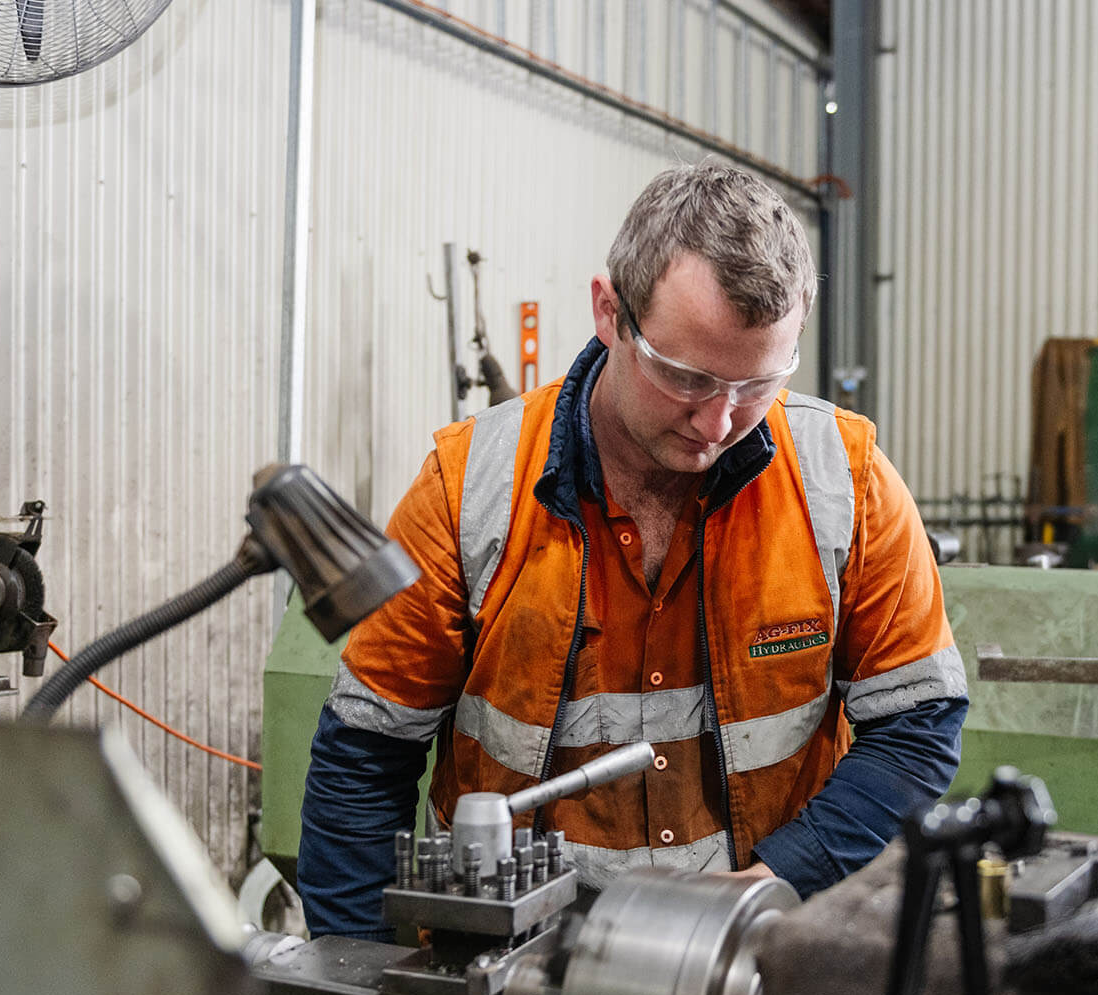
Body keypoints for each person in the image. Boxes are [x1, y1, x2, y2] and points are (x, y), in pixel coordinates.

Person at [297, 162, 965, 940]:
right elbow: (363, 759)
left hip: (760, 953)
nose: (716, 424)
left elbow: (916, 728)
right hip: (514, 970)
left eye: (756, 385)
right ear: (609, 312)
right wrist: (360, 990)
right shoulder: (467, 489)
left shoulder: (844, 481)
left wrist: (771, 884)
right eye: (686, 377)